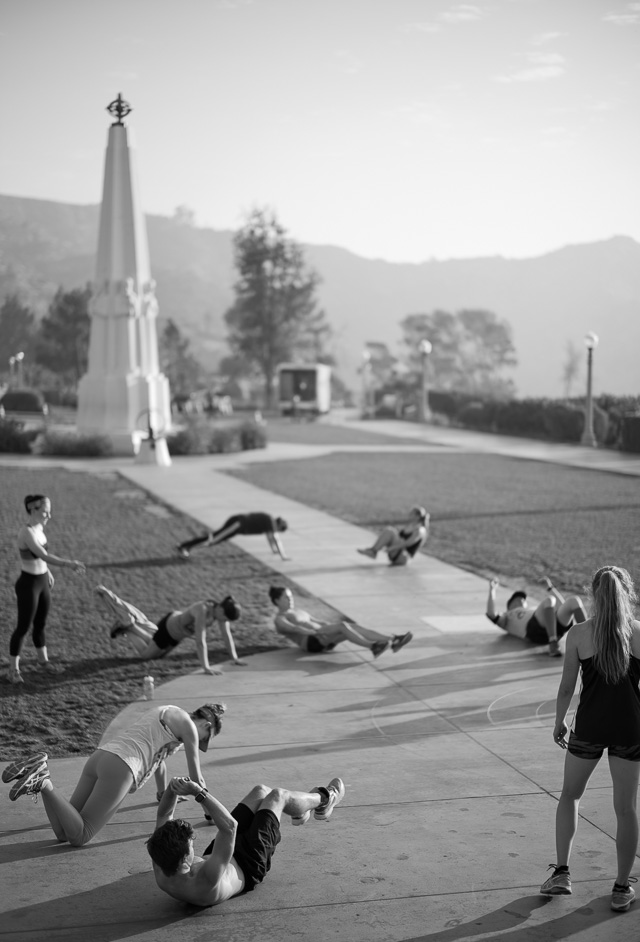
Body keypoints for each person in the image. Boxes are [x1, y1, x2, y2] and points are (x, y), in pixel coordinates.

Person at [539, 565, 640, 913]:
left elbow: (567, 687)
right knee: (626, 809)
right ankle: (622, 886)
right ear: (626, 593)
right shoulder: (638, 633)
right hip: (630, 730)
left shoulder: (579, 634)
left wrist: (559, 722)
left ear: (593, 595)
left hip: (590, 729)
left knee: (569, 795)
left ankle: (562, 873)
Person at [3, 702, 226, 847]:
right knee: (81, 835)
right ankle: (44, 783)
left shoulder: (168, 711)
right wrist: (210, 814)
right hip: (121, 768)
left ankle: (40, 774)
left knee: (63, 832)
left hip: (102, 756)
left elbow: (159, 761)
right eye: (206, 737)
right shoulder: (188, 728)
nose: (201, 743)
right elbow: (197, 779)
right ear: (206, 725)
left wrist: (161, 792)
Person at [146, 773, 345, 907]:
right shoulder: (202, 882)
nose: (193, 845)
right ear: (184, 860)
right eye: (190, 846)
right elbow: (229, 827)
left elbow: (164, 814)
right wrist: (199, 792)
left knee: (260, 791)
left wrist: (173, 788)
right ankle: (326, 799)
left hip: (220, 855)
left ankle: (299, 809)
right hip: (250, 861)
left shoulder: (160, 858)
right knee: (277, 796)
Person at [9, 494, 86, 684]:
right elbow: (43, 555)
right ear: (33, 510)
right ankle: (13, 670)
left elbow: (41, 560)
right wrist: (69, 563)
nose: (48, 516)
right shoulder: (26, 532)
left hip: (42, 581)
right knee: (23, 627)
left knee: (41, 624)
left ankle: (43, 661)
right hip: (29, 584)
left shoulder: (40, 528)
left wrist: (48, 572)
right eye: (45, 512)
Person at [95, 585, 246, 672]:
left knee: (156, 652)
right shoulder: (203, 610)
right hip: (168, 628)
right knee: (146, 656)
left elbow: (227, 636)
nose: (225, 622)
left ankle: (129, 626)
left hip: (176, 637)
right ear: (221, 610)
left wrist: (235, 658)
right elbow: (201, 641)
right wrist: (206, 667)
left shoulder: (219, 614)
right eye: (225, 619)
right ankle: (129, 627)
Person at [269, 586, 413, 658]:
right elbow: (294, 629)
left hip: (323, 636)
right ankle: (373, 646)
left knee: (351, 627)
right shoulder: (279, 619)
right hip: (311, 641)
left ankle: (394, 640)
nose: (290, 599)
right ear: (277, 601)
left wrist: (328, 628)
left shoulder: (299, 611)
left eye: (291, 596)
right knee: (343, 627)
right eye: (286, 598)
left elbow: (318, 621)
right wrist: (315, 631)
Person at [486, 576, 587, 657]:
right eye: (516, 599)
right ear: (509, 605)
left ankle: (589, 640)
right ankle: (553, 643)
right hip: (533, 631)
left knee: (574, 601)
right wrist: (492, 590)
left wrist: (550, 588)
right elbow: (491, 614)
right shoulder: (507, 616)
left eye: (523, 599)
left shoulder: (533, 609)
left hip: (553, 628)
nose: (521, 600)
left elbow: (562, 606)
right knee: (549, 600)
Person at [177, 512, 289, 561]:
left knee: (214, 538)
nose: (276, 532)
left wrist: (274, 551)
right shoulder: (270, 522)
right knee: (212, 540)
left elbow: (271, 538)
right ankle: (185, 548)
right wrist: (282, 555)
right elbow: (275, 538)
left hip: (237, 524)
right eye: (278, 530)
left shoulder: (269, 521)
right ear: (279, 526)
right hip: (237, 524)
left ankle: (185, 546)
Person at [357, 505, 429, 566]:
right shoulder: (411, 526)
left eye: (412, 513)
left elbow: (408, 543)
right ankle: (373, 550)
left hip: (404, 557)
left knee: (390, 531)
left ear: (418, 516)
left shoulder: (420, 530)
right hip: (398, 554)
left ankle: (373, 551)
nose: (409, 514)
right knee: (389, 531)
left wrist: (392, 548)